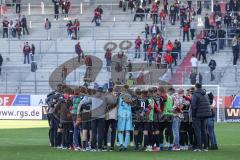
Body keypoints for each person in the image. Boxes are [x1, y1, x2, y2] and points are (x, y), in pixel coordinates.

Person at [191, 83, 212, 151]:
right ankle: (205, 147)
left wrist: (193, 114)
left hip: (197, 115)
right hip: (205, 115)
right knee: (204, 130)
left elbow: (193, 105)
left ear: (196, 87)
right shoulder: (205, 94)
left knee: (198, 131)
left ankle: (199, 147)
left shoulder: (195, 94)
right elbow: (208, 103)